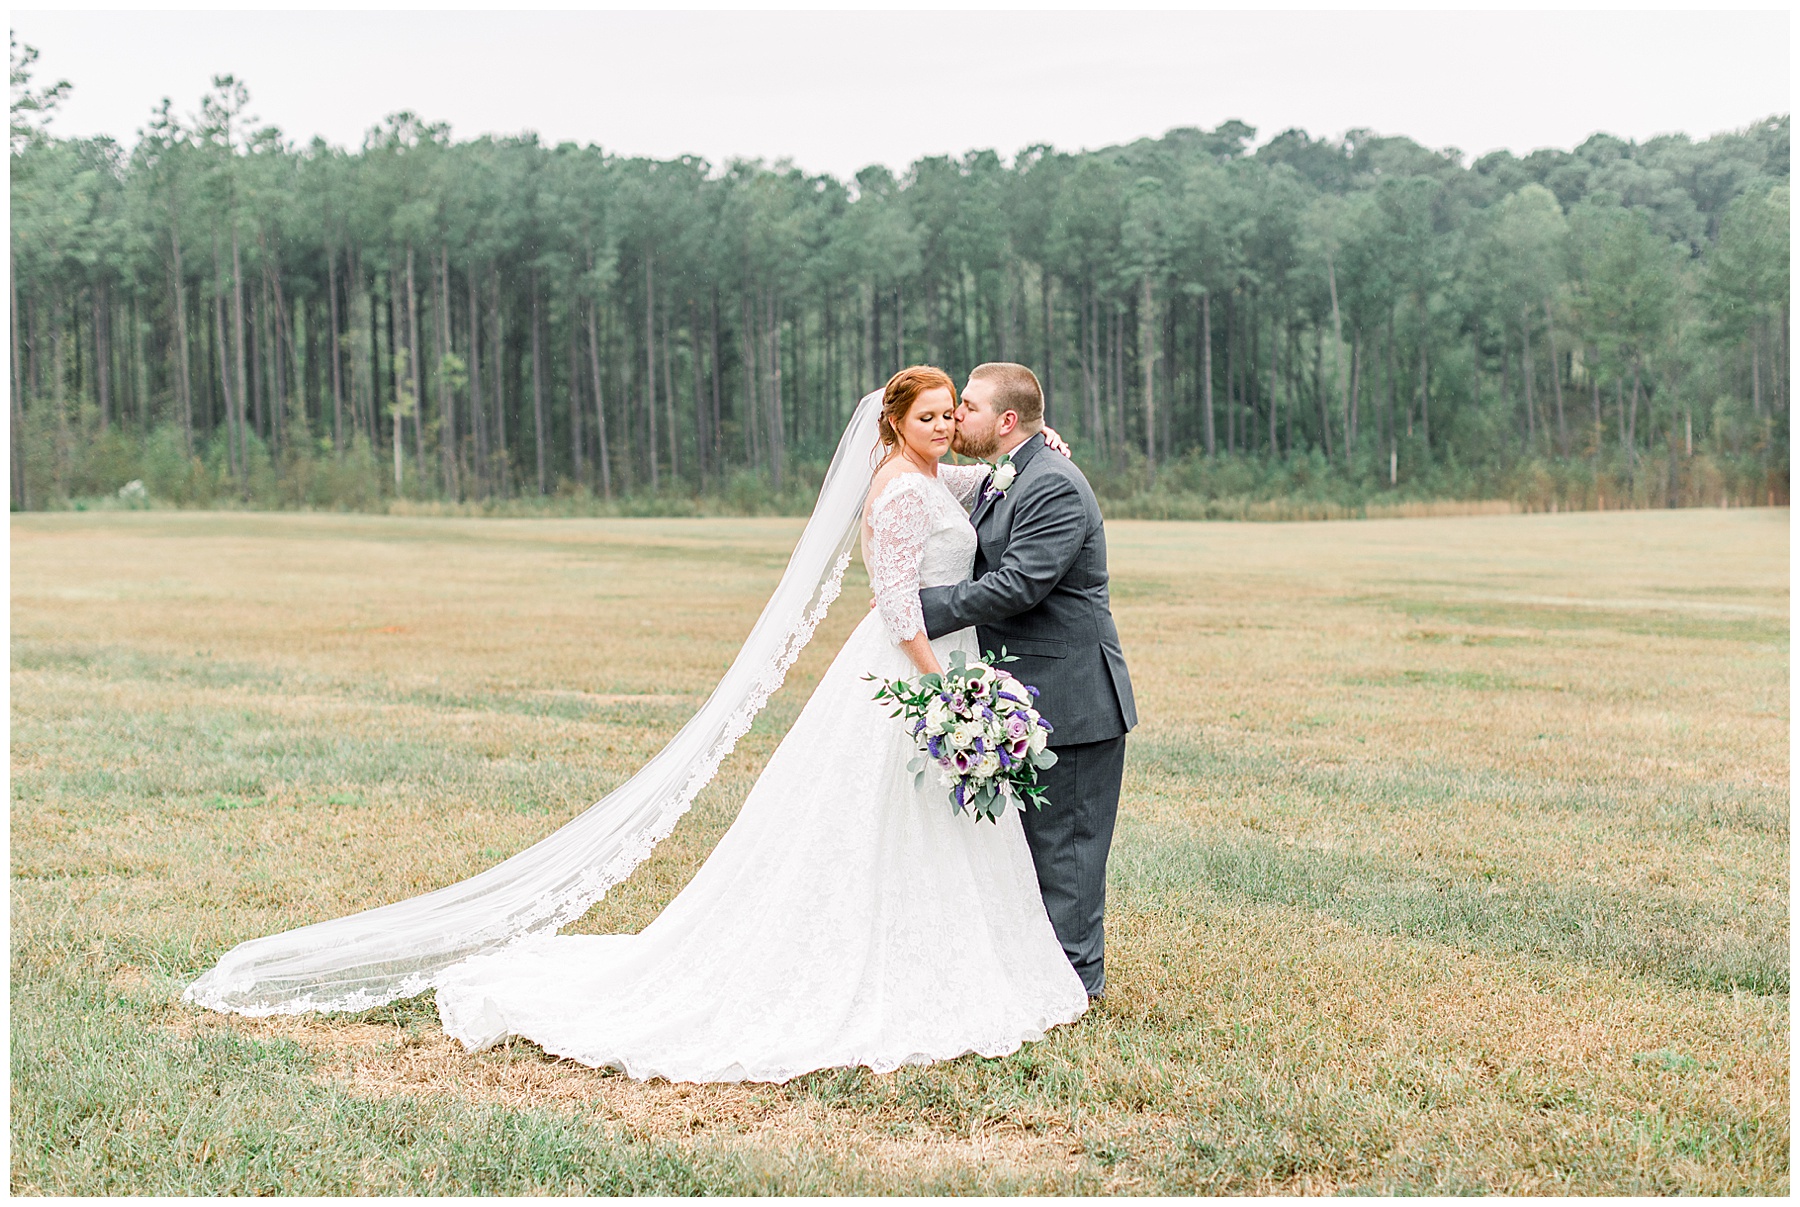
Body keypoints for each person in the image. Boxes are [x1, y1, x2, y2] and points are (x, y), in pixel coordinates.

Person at [188, 366, 1091, 1084]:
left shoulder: (949, 474)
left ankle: (942, 958)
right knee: (866, 823)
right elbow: (898, 604)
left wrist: (1036, 444)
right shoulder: (896, 491)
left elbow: (986, 480)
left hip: (948, 667)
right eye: (931, 415)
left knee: (927, 826)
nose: (945, 424)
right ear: (893, 425)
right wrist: (943, 695)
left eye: (954, 413)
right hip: (916, 670)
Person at [920, 363, 1136, 999]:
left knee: (1067, 853)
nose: (957, 416)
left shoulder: (1053, 485)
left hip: (1073, 697)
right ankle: (1036, 978)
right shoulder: (1004, 473)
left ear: (1006, 421)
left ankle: (1076, 988)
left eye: (968, 406)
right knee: (1033, 851)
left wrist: (919, 610)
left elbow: (1019, 584)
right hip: (1028, 693)